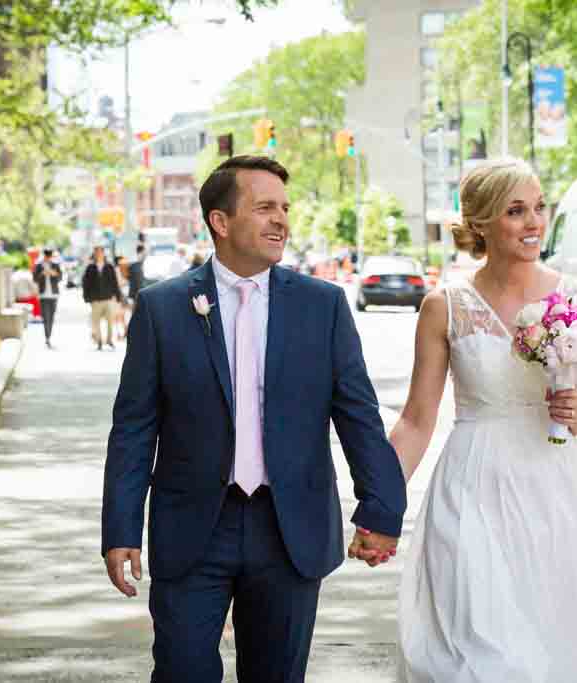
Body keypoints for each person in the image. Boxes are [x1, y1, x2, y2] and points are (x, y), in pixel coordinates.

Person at [102, 155, 407, 683]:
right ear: (221, 222)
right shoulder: (163, 309)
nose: (281, 220)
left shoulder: (323, 305)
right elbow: (134, 428)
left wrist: (380, 507)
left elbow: (358, 415)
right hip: (194, 528)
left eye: (285, 208)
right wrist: (121, 526)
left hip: (289, 531)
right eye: (264, 207)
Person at [393, 158, 577, 682]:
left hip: (555, 496)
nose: (534, 221)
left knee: (561, 649)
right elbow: (416, 421)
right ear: (481, 223)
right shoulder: (444, 306)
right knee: (471, 652)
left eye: (539, 206)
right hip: (470, 491)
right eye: (516, 211)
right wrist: (377, 503)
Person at [81, 245, 122, 350]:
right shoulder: (90, 267)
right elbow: (86, 283)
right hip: (96, 300)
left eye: (100, 252)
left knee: (110, 321)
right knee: (96, 322)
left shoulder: (109, 266)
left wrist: (118, 296)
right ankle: (99, 341)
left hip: (108, 298)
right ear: (94, 254)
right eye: (97, 252)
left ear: (103, 253)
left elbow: (114, 282)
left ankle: (109, 340)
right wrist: (87, 298)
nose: (99, 254)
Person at [33, 248, 62, 348]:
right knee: (45, 316)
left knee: (52, 315)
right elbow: (35, 278)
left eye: (49, 256)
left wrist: (54, 274)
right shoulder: (39, 266)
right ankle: (47, 337)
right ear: (44, 256)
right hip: (43, 295)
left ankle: (49, 334)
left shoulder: (55, 265)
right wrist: (42, 274)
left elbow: (60, 277)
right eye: (47, 256)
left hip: (53, 294)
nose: (48, 258)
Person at [112, 255, 130, 340]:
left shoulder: (119, 270)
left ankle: (121, 332)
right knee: (121, 315)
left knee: (118, 316)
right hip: (120, 294)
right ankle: (123, 331)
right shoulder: (120, 270)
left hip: (118, 295)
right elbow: (125, 282)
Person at [127, 244, 147, 311]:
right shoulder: (136, 264)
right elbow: (138, 282)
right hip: (137, 294)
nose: (146, 254)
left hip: (137, 294)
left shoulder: (138, 263)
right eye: (145, 252)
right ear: (141, 252)